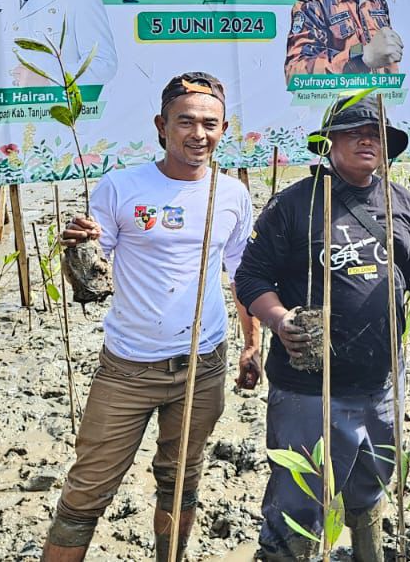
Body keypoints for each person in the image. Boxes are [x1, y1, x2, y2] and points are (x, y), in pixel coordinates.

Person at [41, 73, 258, 562]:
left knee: (182, 480)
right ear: (162, 126)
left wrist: (251, 343)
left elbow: (242, 274)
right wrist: (78, 248)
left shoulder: (232, 195)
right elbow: (93, 270)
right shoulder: (122, 186)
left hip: (202, 367)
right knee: (86, 492)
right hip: (128, 369)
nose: (197, 134)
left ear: (224, 129)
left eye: (210, 124)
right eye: (185, 122)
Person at [235, 94, 410, 561]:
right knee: (299, 502)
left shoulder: (400, 202)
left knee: (370, 488)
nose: (367, 140)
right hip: (311, 388)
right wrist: (278, 318)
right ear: (328, 142)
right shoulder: (293, 205)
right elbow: (250, 277)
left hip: (380, 383)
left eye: (377, 134)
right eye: (354, 132)